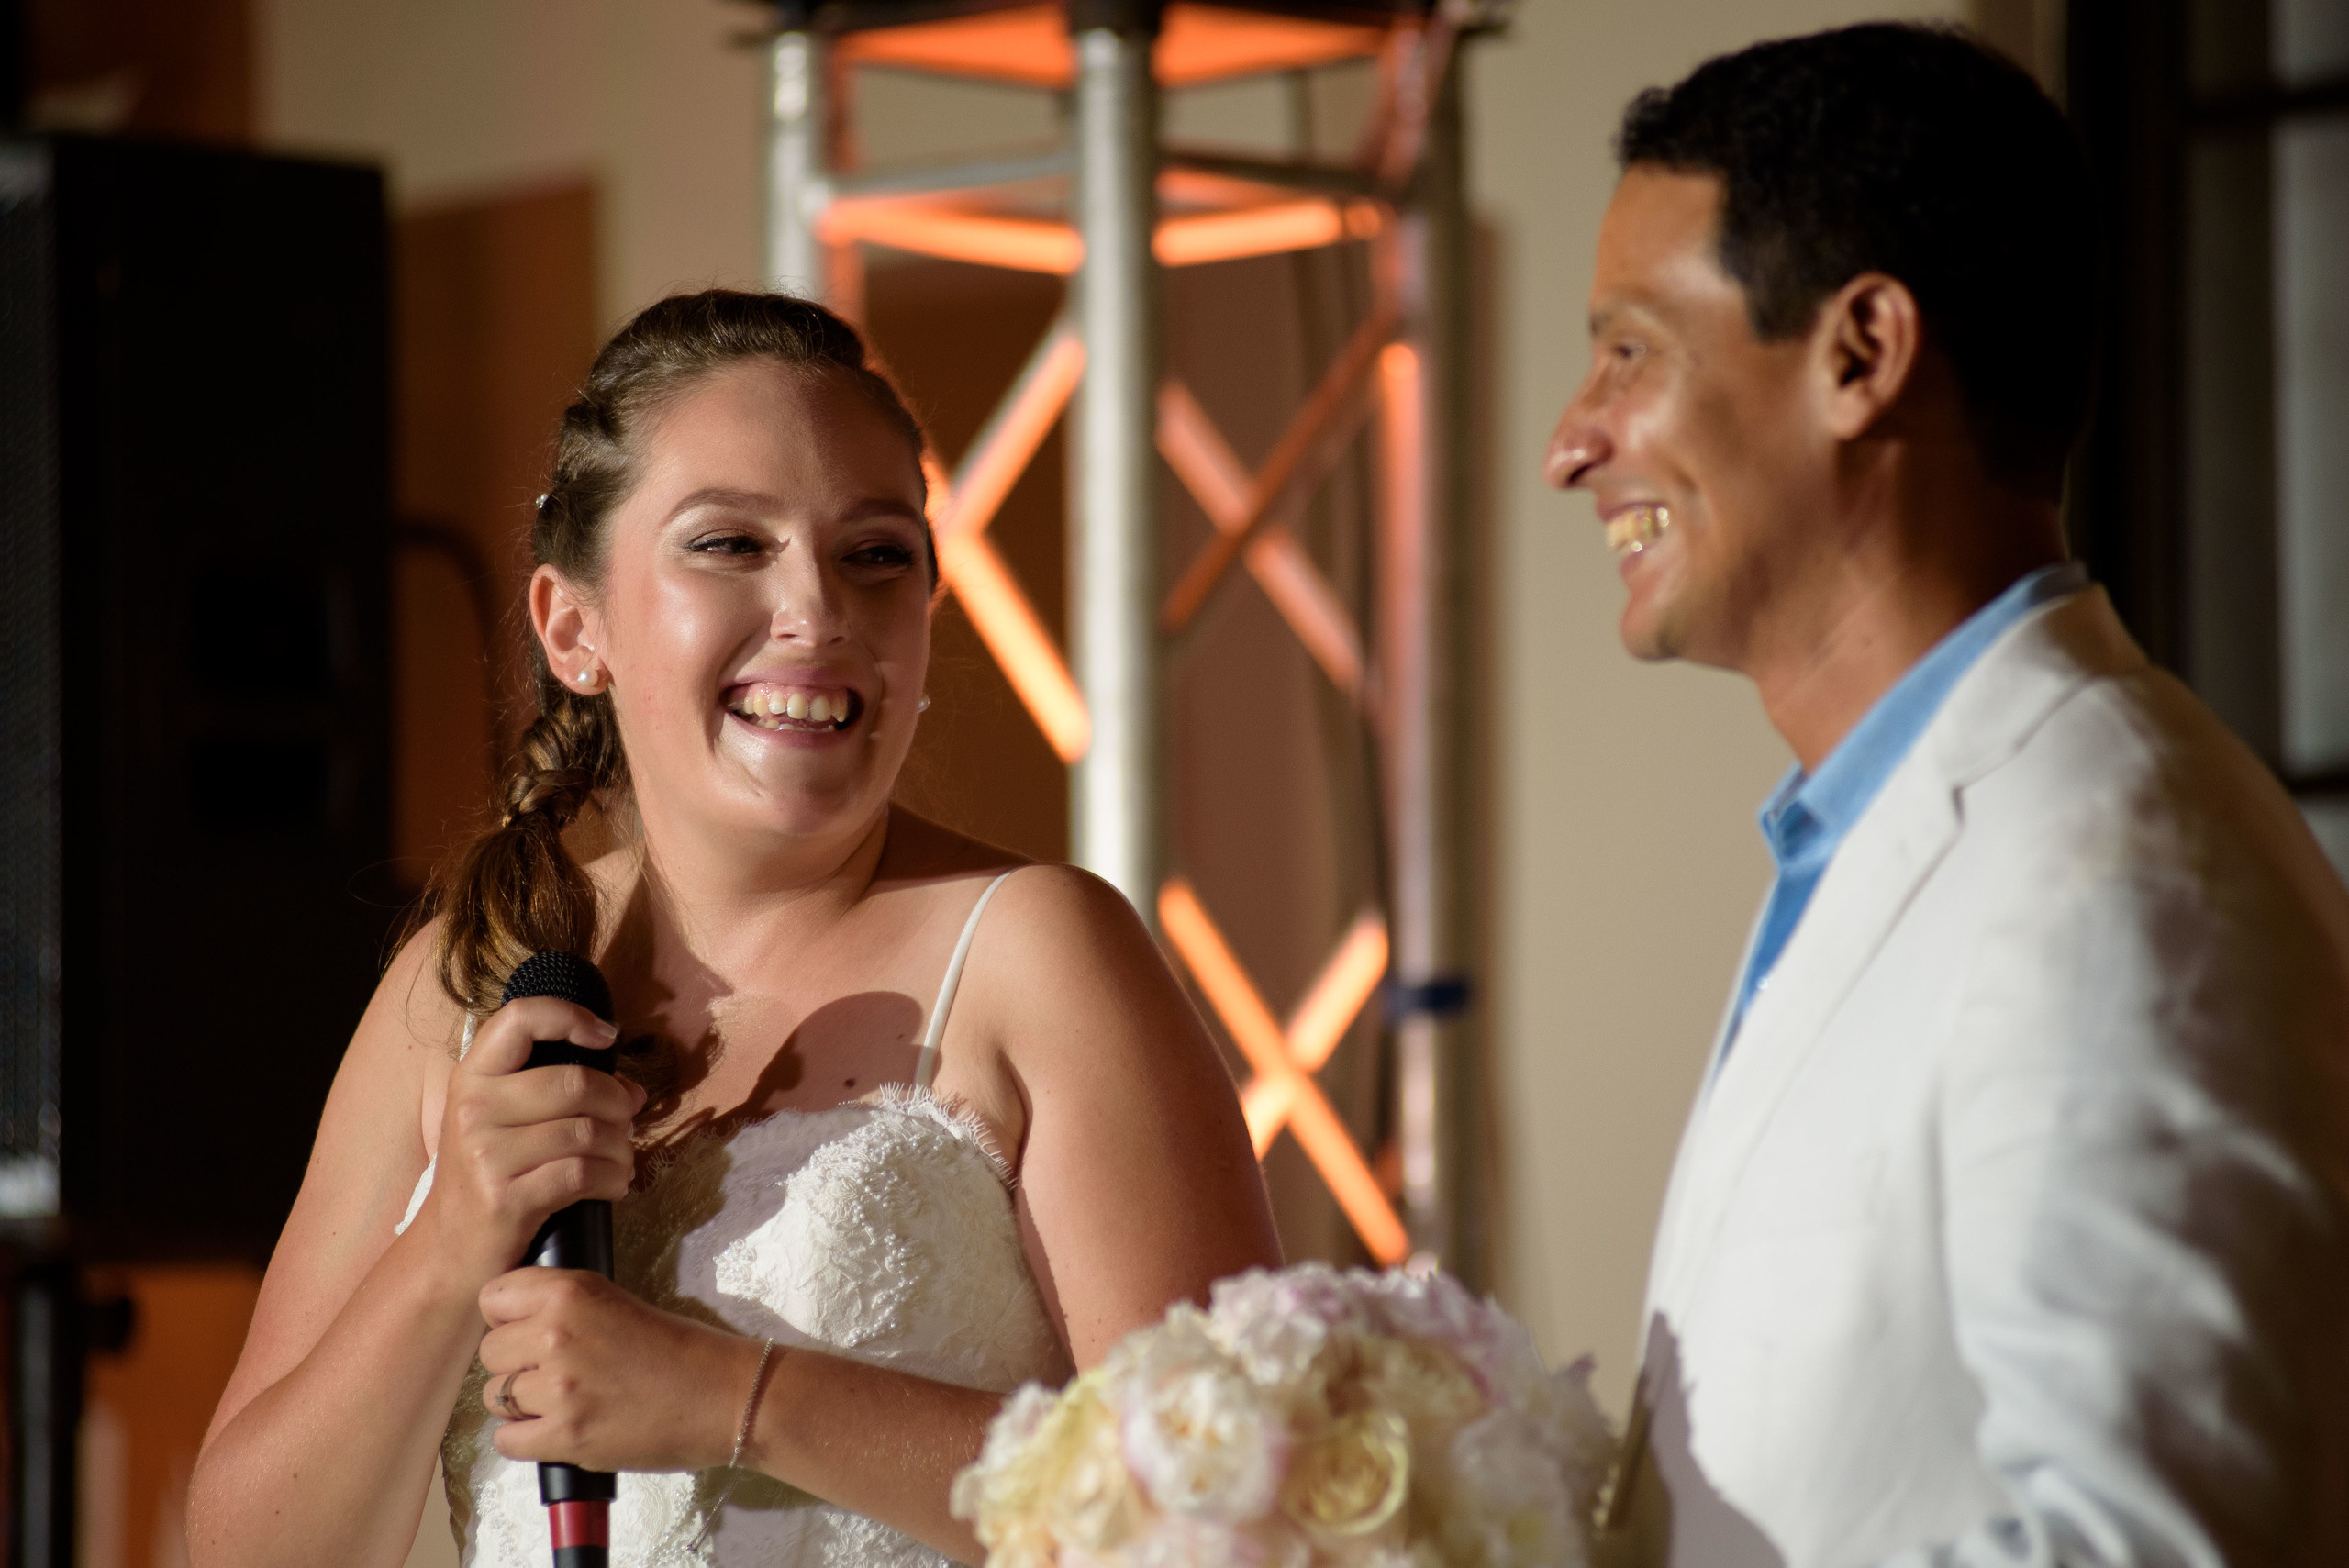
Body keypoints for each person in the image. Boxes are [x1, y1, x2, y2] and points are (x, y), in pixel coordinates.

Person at [187, 291, 1283, 1568]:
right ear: (572, 626)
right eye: (730, 545)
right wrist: (444, 1252)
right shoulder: (460, 985)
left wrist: (735, 1400)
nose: (817, 609)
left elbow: (1244, 1503)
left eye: (876, 553)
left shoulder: (1041, 950)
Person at [1546, 24, 2349, 1568]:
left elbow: (2158, 1544)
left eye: (1630, 349)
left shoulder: (2116, 865)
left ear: (1862, 353)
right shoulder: (1874, 839)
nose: (1572, 442)